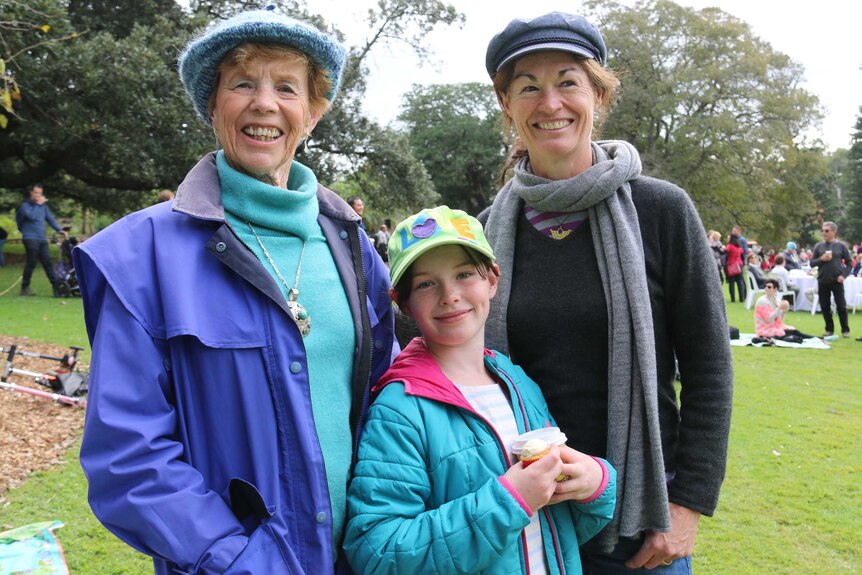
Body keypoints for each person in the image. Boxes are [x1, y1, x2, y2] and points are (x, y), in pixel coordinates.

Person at [72, 8, 396, 574]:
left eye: (287, 87)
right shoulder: (140, 257)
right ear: (214, 105)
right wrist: (238, 559)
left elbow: (389, 396)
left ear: (313, 114)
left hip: (361, 557)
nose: (264, 103)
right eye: (242, 83)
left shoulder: (353, 246)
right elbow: (129, 457)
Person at [480, 12, 733, 573]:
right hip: (523, 523)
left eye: (568, 81)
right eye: (528, 87)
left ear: (598, 93)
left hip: (640, 526)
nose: (550, 104)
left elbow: (709, 364)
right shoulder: (483, 233)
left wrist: (688, 501)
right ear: (507, 106)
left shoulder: (661, 210)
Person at [344, 206, 616, 574]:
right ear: (403, 302)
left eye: (464, 274)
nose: (449, 295)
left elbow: (556, 530)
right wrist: (509, 500)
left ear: (492, 279)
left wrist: (596, 483)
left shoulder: (519, 384)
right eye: (426, 283)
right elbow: (377, 552)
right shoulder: (400, 410)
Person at [15, 183, 67, 296]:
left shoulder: (43, 207)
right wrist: (39, 204)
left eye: (40, 193)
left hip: (42, 239)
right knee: (31, 262)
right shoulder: (25, 205)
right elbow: (31, 216)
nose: (38, 195)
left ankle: (56, 288)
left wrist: (60, 230)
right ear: (31, 193)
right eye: (36, 193)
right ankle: (24, 288)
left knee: (47, 262)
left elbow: (50, 219)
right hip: (30, 238)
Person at [810, 221, 852, 338]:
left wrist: (843, 276)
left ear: (834, 232)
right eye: (822, 230)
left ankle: (845, 330)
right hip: (823, 280)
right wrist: (821, 259)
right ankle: (829, 329)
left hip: (836, 280)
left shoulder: (841, 246)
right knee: (825, 306)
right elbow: (811, 263)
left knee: (841, 306)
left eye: (827, 230)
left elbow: (849, 263)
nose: (824, 233)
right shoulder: (819, 246)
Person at [753, 279, 816, 343]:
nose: (766, 288)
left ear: (775, 289)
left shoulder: (775, 299)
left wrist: (783, 311)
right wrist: (779, 308)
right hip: (765, 329)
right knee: (790, 335)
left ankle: (815, 338)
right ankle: (812, 338)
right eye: (765, 286)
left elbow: (779, 320)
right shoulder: (762, 301)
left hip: (775, 327)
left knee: (794, 331)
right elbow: (770, 319)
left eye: (769, 287)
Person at [725, 233, 745, 303]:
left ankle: (733, 299)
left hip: (731, 265)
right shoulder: (740, 247)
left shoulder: (729, 246)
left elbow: (725, 253)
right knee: (740, 282)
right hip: (739, 265)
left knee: (732, 283)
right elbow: (742, 257)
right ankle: (741, 298)